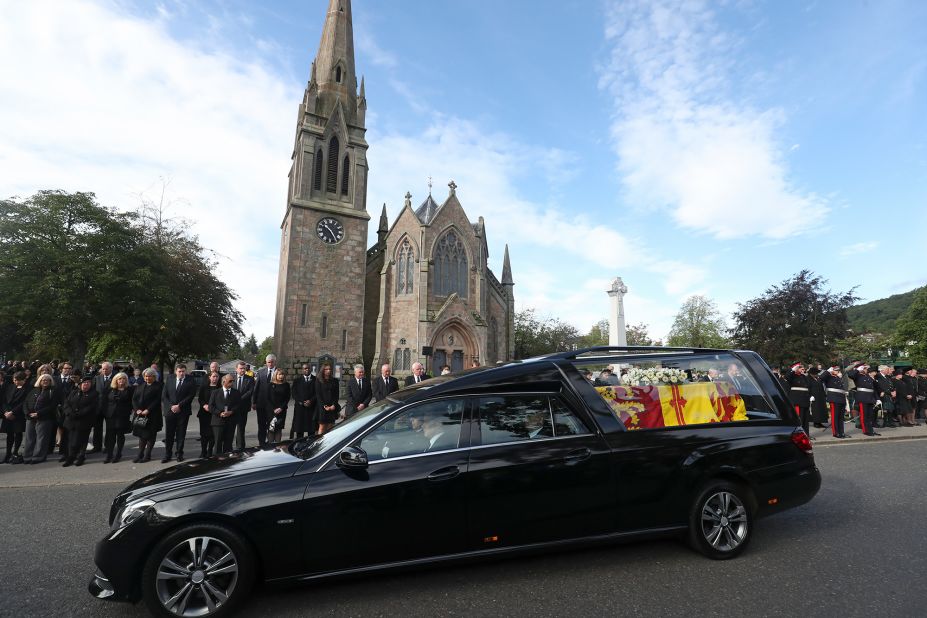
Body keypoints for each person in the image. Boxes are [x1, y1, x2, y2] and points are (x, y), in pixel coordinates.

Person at [160, 364, 197, 463]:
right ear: (176, 371)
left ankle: (179, 454)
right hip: (170, 411)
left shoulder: (190, 380)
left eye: (183, 371)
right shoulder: (170, 379)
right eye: (179, 371)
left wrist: (179, 406)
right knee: (169, 434)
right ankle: (167, 454)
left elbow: (191, 395)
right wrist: (172, 406)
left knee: (181, 434)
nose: (181, 373)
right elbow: (164, 395)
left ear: (185, 371)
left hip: (183, 411)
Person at [62, 375, 99, 467]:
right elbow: (66, 403)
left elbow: (91, 407)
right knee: (70, 439)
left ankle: (81, 456)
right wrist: (69, 413)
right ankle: (71, 456)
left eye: (88, 383)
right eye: (84, 383)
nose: (85, 385)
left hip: (84, 420)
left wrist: (78, 414)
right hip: (71, 420)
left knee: (83, 439)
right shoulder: (74, 392)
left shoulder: (94, 394)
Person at [23, 374, 58, 464]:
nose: (45, 381)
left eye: (47, 380)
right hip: (30, 418)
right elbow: (25, 402)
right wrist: (27, 413)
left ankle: (38, 457)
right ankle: (27, 457)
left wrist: (38, 413)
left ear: (50, 382)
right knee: (29, 438)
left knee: (41, 439)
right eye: (43, 380)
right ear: (39, 381)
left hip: (44, 418)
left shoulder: (53, 391)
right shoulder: (33, 390)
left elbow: (52, 406)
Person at [131, 368, 163, 463]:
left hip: (152, 415)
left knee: (151, 436)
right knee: (142, 435)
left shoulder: (159, 386)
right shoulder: (140, 385)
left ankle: (147, 455)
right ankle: (140, 454)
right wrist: (137, 409)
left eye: (149, 376)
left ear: (154, 377)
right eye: (145, 376)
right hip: (140, 415)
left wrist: (148, 410)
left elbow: (157, 400)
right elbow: (134, 399)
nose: (147, 378)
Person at [103, 372, 134, 463]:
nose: (122, 380)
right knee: (110, 436)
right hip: (111, 416)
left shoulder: (129, 389)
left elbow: (133, 402)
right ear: (116, 380)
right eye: (120, 379)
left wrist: (129, 410)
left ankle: (118, 453)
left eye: (124, 379)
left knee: (120, 435)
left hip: (122, 416)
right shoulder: (110, 389)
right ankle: (109, 454)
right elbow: (104, 401)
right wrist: (106, 412)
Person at [208, 374, 240, 455]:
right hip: (218, 422)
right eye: (230, 381)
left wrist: (231, 412)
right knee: (218, 443)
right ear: (224, 381)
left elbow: (238, 405)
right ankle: (217, 462)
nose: (232, 383)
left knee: (228, 444)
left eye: (233, 381)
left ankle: (227, 463)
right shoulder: (215, 392)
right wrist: (220, 413)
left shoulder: (236, 392)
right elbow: (211, 406)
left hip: (231, 421)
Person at [2, 371, 29, 464]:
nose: (16, 382)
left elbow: (23, 403)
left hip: (18, 415)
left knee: (18, 433)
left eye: (18, 380)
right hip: (7, 415)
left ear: (23, 380)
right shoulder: (10, 387)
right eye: (14, 380)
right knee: (9, 435)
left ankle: (15, 452)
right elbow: (4, 400)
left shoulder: (27, 389)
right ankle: (7, 454)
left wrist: (12, 412)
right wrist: (6, 412)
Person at [252, 354, 278, 448]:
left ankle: (270, 443)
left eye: (272, 362)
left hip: (273, 405)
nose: (270, 364)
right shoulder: (261, 372)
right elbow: (256, 388)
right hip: (261, 404)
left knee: (271, 425)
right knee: (261, 425)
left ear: (275, 362)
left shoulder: (279, 372)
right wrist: (254, 402)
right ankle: (261, 443)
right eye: (268, 362)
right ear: (266, 362)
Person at [847, 362, 880, 436]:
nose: (866, 370)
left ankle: (871, 430)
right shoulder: (857, 375)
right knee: (864, 416)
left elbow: (873, 389)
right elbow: (850, 374)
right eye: (865, 368)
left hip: (870, 398)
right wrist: (858, 369)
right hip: (862, 398)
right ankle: (866, 431)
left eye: (866, 368)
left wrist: (877, 399)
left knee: (870, 416)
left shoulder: (868, 376)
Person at [89, 361, 114, 454]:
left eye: (106, 369)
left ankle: (108, 446)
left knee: (110, 428)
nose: (104, 370)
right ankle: (97, 446)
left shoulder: (115, 378)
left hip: (110, 407)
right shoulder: (97, 378)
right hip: (98, 407)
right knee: (97, 428)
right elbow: (93, 391)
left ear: (111, 369)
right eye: (103, 369)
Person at [196, 371, 221, 458]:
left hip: (215, 414)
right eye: (213, 376)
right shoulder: (204, 387)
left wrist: (214, 408)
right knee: (204, 434)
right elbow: (200, 398)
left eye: (217, 376)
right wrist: (204, 405)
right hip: (204, 413)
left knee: (212, 434)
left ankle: (210, 450)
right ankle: (203, 451)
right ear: (209, 377)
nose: (215, 378)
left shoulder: (220, 388)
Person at [232, 362, 255, 450]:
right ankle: (228, 448)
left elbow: (250, 391)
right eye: (241, 368)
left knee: (241, 429)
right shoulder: (232, 378)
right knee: (230, 428)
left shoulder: (250, 379)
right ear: (236, 369)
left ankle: (240, 448)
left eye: (244, 368)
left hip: (243, 407)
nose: (242, 370)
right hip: (232, 407)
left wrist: (240, 399)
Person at [820, 366, 848, 438]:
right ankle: (836, 433)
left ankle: (841, 432)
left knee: (841, 417)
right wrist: (828, 371)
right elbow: (821, 378)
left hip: (841, 399)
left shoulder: (838, 378)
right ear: (832, 370)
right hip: (834, 398)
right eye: (836, 370)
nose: (838, 371)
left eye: (838, 370)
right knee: (835, 416)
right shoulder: (829, 377)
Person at [785, 362, 812, 434]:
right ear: (796, 368)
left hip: (805, 400)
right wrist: (793, 369)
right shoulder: (792, 376)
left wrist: (810, 396)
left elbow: (808, 386)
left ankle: (806, 435)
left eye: (803, 368)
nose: (802, 369)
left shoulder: (803, 377)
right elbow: (787, 376)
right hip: (798, 401)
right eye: (800, 368)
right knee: (799, 419)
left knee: (805, 420)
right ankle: (799, 434)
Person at [291, 364, 316, 439]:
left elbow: (317, 393)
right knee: (299, 431)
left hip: (311, 408)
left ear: (311, 369)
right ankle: (298, 446)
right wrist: (302, 402)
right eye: (305, 368)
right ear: (302, 370)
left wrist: (311, 401)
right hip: (300, 408)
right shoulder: (297, 381)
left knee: (311, 431)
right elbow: (294, 393)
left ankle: (310, 447)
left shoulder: (316, 380)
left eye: (308, 368)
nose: (307, 370)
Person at [315, 363, 340, 434]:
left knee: (330, 427)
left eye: (329, 369)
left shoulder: (335, 380)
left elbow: (336, 395)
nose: (328, 371)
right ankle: (319, 443)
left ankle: (329, 444)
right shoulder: (318, 380)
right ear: (323, 370)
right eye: (326, 369)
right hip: (322, 408)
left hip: (332, 407)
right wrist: (324, 406)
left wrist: (334, 405)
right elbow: (318, 395)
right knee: (322, 427)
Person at [267, 370, 291, 443]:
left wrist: (281, 408)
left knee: (278, 429)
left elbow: (287, 398)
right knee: (271, 429)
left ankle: (278, 447)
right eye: (279, 374)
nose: (281, 376)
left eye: (282, 374)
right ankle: (270, 448)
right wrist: (273, 409)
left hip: (282, 410)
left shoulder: (286, 385)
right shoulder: (270, 385)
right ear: (275, 375)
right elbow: (268, 398)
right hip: (271, 411)